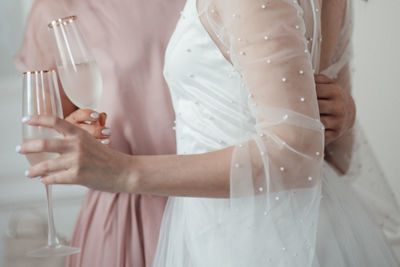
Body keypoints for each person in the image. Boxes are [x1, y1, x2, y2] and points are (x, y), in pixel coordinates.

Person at [16, 0, 400, 266]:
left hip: (232, 204)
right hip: (128, 214)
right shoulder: (56, 9)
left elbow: (309, 152)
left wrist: (341, 114)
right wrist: (82, 146)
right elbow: (43, 147)